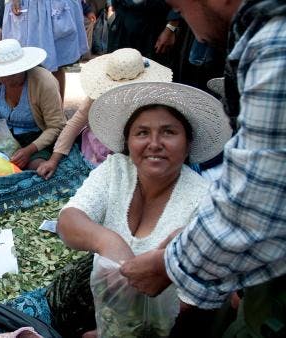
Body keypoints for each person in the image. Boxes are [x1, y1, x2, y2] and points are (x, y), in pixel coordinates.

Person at [119, 0, 286, 336]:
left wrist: (170, 265)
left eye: (180, 9)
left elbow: (253, 208)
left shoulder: (275, 46)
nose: (186, 24)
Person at [57, 81, 232, 336]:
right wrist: (109, 241)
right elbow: (69, 221)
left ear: (187, 144)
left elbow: (187, 304)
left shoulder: (204, 202)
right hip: (107, 315)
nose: (154, 143)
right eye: (142, 133)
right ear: (128, 141)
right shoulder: (116, 168)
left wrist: (115, 330)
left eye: (169, 132)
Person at [36, 48, 172, 179]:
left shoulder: (151, 99)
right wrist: (54, 159)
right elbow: (75, 123)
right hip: (98, 145)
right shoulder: (97, 96)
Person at [0, 39, 66, 170]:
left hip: (36, 139)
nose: (6, 78)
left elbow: (56, 126)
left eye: (12, 73)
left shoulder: (44, 83)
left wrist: (29, 150)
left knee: (37, 168)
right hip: (3, 138)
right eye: (2, 73)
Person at [3, 0, 88, 99]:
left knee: (57, 63)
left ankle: (58, 109)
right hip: (29, 10)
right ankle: (31, 107)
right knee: (25, 63)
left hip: (51, 7)